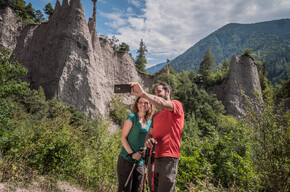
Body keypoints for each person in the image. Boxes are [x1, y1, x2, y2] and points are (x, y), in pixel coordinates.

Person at [129, 81, 184, 192]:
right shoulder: (156, 115)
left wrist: (143, 94)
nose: (156, 94)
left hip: (169, 157)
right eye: (155, 92)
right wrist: (148, 140)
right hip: (153, 157)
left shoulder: (176, 105)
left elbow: (162, 103)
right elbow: (149, 133)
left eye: (159, 91)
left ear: (168, 91)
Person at [117, 97, 154, 192]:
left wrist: (145, 151)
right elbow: (123, 138)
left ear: (150, 105)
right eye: (140, 102)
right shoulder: (132, 117)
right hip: (126, 159)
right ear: (137, 104)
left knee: (137, 189)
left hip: (140, 162)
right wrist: (132, 154)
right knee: (125, 189)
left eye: (146, 103)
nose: (143, 105)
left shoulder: (150, 122)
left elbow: (146, 140)